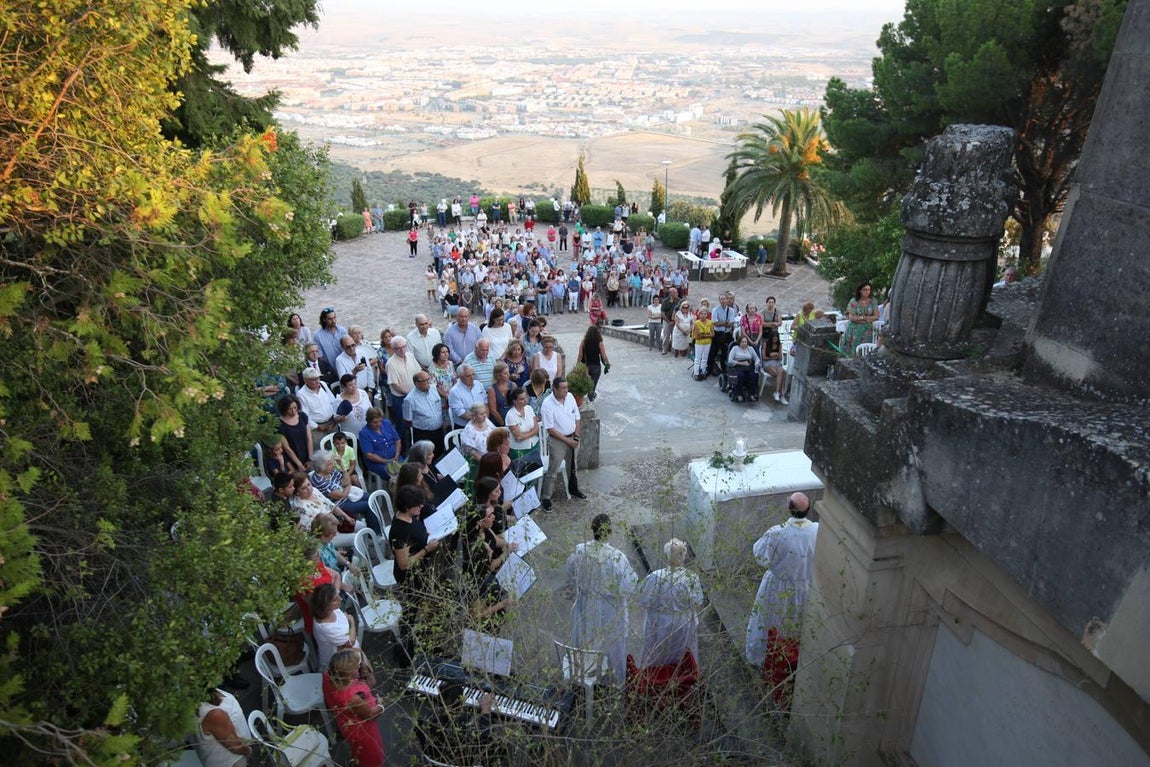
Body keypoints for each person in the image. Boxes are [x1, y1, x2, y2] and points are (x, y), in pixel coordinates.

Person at [745, 493, 819, 708]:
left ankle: (767, 657)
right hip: (804, 587)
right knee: (795, 623)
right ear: (808, 510)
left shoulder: (777, 533)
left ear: (789, 509)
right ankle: (789, 658)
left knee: (771, 620)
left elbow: (760, 556)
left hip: (778, 586)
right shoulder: (818, 530)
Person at [565, 513, 638, 685]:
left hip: (585, 600)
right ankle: (616, 677)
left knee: (585, 635)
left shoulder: (580, 551)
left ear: (592, 529)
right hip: (610, 605)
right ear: (609, 531)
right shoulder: (617, 558)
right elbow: (628, 585)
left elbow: (569, 573)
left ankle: (584, 672)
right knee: (613, 639)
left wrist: (579, 586)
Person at [639, 539, 705, 669]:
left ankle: (656, 679)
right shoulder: (691, 577)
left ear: (666, 556)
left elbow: (645, 601)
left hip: (660, 623)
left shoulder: (655, 577)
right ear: (684, 556)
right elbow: (698, 600)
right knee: (682, 655)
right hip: (683, 622)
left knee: (658, 655)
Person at [323, 649, 386, 767]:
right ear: (348, 672)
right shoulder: (352, 698)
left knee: (358, 753)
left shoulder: (329, 675)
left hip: (346, 722)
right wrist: (380, 705)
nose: (359, 667)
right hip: (363, 731)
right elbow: (371, 714)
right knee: (371, 756)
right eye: (356, 666)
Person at [539, 376, 585, 512]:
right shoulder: (547, 404)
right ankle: (546, 497)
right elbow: (550, 429)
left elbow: (577, 418)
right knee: (553, 470)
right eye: (563, 388)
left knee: (573, 466)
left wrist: (576, 437)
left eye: (567, 387)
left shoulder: (570, 397)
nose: (566, 390)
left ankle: (574, 489)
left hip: (572, 437)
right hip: (558, 441)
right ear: (555, 389)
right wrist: (568, 441)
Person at [194, 687, 252, 767]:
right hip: (232, 762)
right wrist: (248, 751)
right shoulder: (215, 714)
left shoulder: (213, 692)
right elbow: (236, 746)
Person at [310, 582, 359, 670]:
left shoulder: (330, 611)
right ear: (326, 605)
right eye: (336, 599)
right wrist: (352, 621)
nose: (340, 599)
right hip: (341, 663)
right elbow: (350, 642)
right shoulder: (328, 628)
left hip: (350, 652)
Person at [403, 370, 444, 453]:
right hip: (423, 434)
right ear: (417, 383)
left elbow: (444, 400)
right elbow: (407, 420)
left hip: (439, 431)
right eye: (425, 381)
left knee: (440, 455)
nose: (428, 382)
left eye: (429, 379)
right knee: (426, 456)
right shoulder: (410, 399)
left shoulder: (434, 389)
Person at [359, 407, 402, 480]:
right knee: (395, 473)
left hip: (395, 458)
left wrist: (397, 454)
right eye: (375, 422)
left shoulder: (387, 423)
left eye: (380, 421)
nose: (378, 424)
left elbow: (397, 440)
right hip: (378, 463)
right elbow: (369, 455)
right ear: (369, 422)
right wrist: (386, 461)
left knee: (407, 469)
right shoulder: (364, 433)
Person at [504, 387, 541, 462]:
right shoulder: (510, 415)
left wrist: (525, 434)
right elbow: (518, 437)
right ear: (514, 401)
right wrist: (532, 432)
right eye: (522, 399)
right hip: (519, 450)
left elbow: (537, 429)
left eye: (525, 397)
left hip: (534, 445)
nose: (525, 400)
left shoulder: (529, 408)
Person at [275, 395, 312, 471]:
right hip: (292, 458)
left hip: (306, 453)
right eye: (289, 409)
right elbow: (287, 448)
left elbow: (309, 439)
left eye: (295, 408)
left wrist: (310, 459)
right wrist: (299, 464)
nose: (293, 411)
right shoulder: (279, 424)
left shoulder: (302, 416)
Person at [577, 324, 611, 401]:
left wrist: (577, 366)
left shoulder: (584, 342)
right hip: (596, 366)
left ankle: (586, 398)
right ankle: (590, 398)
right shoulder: (599, 343)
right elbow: (604, 355)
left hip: (585, 366)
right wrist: (608, 364)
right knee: (593, 384)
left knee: (585, 383)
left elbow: (580, 355)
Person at [844, 281, 879, 355]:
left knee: (865, 351)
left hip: (867, 330)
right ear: (860, 291)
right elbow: (852, 318)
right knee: (852, 352)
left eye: (868, 290)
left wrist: (860, 318)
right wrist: (865, 318)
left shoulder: (873, 301)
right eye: (865, 290)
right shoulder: (854, 301)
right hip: (854, 330)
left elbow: (876, 316)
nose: (867, 292)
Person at [448, 364, 486, 429]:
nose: (472, 378)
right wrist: (478, 420)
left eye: (473, 374)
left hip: (482, 422)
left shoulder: (479, 385)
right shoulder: (454, 391)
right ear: (460, 377)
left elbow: (486, 403)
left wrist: (484, 418)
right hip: (464, 427)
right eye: (468, 376)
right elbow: (461, 414)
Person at [727, 335, 762, 402]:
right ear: (739, 342)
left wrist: (756, 363)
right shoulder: (735, 348)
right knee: (740, 375)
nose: (744, 343)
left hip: (749, 366)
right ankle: (739, 394)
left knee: (754, 375)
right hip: (738, 366)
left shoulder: (750, 349)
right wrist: (741, 363)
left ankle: (752, 394)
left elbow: (757, 358)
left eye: (745, 342)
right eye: (742, 342)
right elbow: (730, 360)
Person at [762, 331, 789, 405]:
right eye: (773, 339)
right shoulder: (766, 344)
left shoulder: (779, 345)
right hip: (767, 363)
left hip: (776, 363)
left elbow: (780, 357)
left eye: (776, 339)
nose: (775, 340)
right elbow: (764, 357)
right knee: (780, 375)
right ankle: (782, 395)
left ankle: (777, 392)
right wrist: (771, 357)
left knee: (781, 372)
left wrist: (775, 354)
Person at [690, 305, 714, 380]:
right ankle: (696, 373)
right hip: (699, 343)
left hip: (707, 343)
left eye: (705, 314)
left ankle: (703, 372)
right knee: (698, 358)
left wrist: (703, 335)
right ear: (699, 314)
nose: (703, 315)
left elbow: (713, 334)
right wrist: (707, 335)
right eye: (702, 314)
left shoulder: (710, 322)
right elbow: (697, 336)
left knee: (705, 358)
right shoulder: (697, 323)